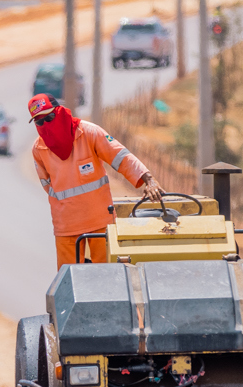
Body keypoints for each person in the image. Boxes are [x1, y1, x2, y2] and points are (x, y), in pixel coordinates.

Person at [27, 93, 163, 270]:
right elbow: (48, 186)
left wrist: (149, 179)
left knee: (107, 275)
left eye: (49, 117)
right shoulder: (39, 149)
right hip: (66, 226)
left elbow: (120, 156)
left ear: (60, 112)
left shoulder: (89, 133)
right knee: (69, 283)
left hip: (99, 222)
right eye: (39, 122)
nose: (46, 125)